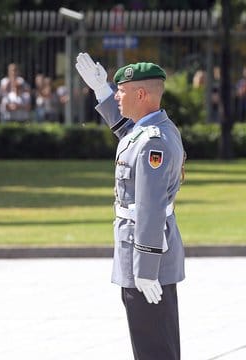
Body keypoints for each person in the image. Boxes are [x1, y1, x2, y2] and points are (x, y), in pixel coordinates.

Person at [76, 53, 186, 360]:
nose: (118, 96)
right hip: (144, 257)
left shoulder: (153, 142)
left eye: (121, 91)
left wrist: (146, 269)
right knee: (155, 342)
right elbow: (126, 131)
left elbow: (149, 209)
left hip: (146, 260)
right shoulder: (153, 130)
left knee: (153, 348)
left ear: (141, 94)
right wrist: (102, 91)